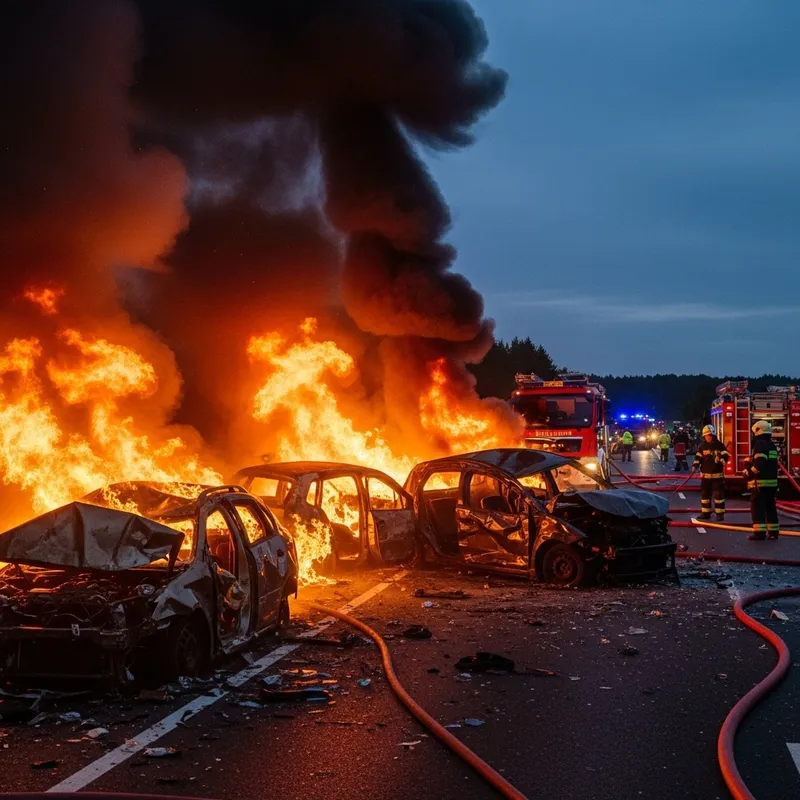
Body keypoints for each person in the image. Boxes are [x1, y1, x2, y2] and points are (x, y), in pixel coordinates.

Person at [744, 420, 779, 540]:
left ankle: (759, 533)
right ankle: (773, 532)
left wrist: (749, 471)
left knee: (757, 508)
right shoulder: (771, 444)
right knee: (770, 507)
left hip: (760, 483)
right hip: (772, 483)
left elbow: (760, 464)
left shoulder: (760, 444)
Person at [692, 424, 729, 521]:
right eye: (706, 436)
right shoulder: (702, 446)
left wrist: (720, 459)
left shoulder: (719, 445)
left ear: (713, 435)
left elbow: (726, 456)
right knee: (705, 496)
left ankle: (720, 514)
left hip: (717, 476)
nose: (707, 437)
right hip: (705, 476)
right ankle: (705, 513)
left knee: (718, 496)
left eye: (709, 435)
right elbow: (698, 457)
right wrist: (695, 465)